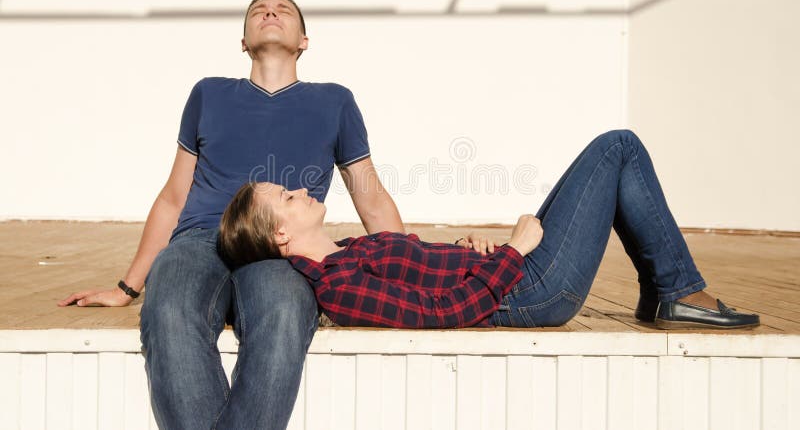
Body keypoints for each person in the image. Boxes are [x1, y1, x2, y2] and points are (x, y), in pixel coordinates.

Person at [58, 0, 404, 429]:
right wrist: (127, 288)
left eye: (284, 10)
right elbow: (173, 196)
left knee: (282, 317)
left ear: (304, 41)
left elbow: (370, 196)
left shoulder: (335, 101)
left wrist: (403, 274)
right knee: (168, 310)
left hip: (279, 248)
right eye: (259, 10)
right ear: (243, 42)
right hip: (201, 239)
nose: (271, 11)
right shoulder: (209, 94)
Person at [218, 129, 760, 330]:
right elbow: (439, 314)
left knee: (616, 150)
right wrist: (514, 254)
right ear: (281, 237)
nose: (303, 190)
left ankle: (669, 294)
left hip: (513, 273)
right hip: (533, 292)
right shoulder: (338, 286)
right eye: (288, 198)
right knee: (617, 148)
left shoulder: (348, 250)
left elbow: (426, 276)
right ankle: (677, 292)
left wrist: (469, 250)